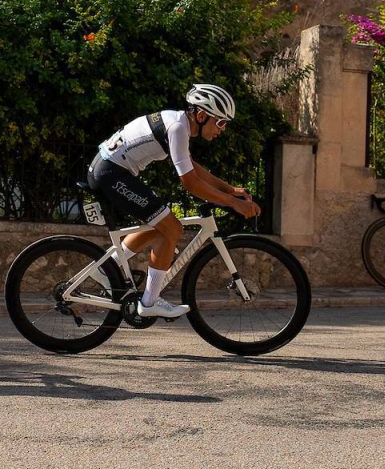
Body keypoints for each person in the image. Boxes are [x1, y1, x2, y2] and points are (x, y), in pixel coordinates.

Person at [88, 83, 261, 320]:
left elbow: (193, 168)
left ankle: (106, 267)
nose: (223, 129)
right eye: (220, 122)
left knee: (163, 225)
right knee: (171, 227)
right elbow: (189, 182)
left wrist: (229, 189)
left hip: (111, 171)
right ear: (201, 115)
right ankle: (148, 303)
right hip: (111, 175)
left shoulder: (177, 122)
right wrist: (232, 202)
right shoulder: (178, 127)